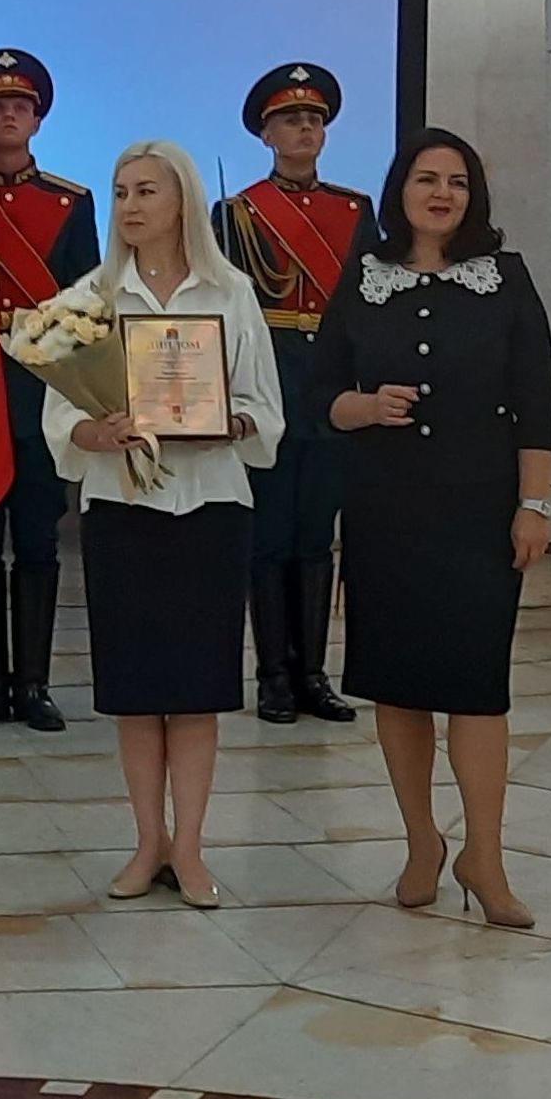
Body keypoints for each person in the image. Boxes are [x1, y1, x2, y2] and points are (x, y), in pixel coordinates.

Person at [314, 127, 551, 930]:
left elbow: (538, 401)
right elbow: (320, 394)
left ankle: (485, 854)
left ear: (473, 195)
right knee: (400, 684)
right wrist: (363, 406)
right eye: (427, 179)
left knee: (478, 690)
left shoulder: (505, 279)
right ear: (401, 191)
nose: (442, 193)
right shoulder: (365, 277)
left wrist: (536, 505)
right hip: (386, 509)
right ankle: (422, 841)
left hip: (478, 511)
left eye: (457, 181)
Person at [44, 141, 281, 910]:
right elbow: (59, 418)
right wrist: (98, 431)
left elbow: (265, 407)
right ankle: (148, 842)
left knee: (199, 689)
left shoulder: (232, 292)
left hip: (212, 508)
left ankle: (191, 847)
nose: (130, 205)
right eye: (120, 192)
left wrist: (229, 423)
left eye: (147, 190)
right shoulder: (88, 297)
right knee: (138, 691)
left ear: (182, 200)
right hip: (123, 511)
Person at [215, 62, 376, 726]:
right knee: (269, 536)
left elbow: (367, 301)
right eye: (290, 120)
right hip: (270, 380)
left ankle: (313, 673)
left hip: (333, 386)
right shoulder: (238, 212)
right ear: (266, 134)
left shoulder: (356, 210)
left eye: (313, 119)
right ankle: (273, 677)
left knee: (316, 537)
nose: (304, 128)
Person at [0, 49, 100, 733]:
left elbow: (87, 302)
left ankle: (35, 684)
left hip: (42, 392)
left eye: (21, 106)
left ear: (38, 119)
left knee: (40, 543)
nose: (9, 115)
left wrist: (45, 363)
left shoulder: (70, 202)